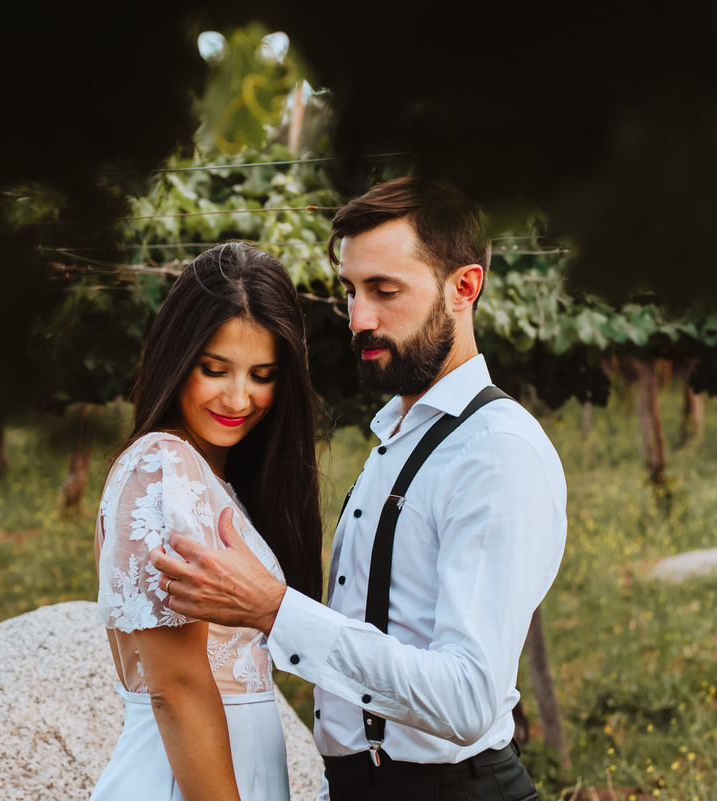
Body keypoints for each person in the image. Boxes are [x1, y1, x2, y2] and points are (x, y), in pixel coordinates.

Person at [152, 177, 567, 800]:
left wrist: (274, 608)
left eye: (384, 290)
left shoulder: (494, 451)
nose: (359, 318)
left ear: (464, 287)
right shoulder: (398, 439)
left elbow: (469, 698)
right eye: (351, 290)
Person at [90, 242, 325, 801]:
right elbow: (176, 686)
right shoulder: (161, 464)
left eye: (262, 374)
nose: (239, 398)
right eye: (214, 369)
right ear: (178, 358)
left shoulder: (211, 477)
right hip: (187, 778)